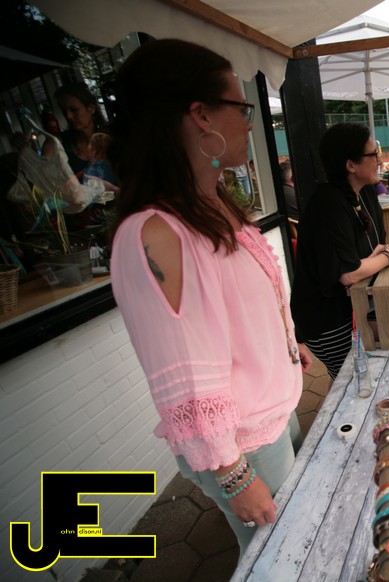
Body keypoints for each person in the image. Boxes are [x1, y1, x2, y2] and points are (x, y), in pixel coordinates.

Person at [107, 39, 311, 555]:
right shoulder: (155, 233)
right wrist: (233, 473)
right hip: (241, 443)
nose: (249, 123)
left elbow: (241, 310)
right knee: (282, 558)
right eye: (242, 108)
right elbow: (186, 372)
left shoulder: (213, 203)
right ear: (200, 115)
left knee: (298, 542)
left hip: (270, 412)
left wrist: (286, 349)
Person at [290, 123, 389, 379]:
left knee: (351, 376)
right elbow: (349, 274)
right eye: (373, 154)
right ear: (351, 165)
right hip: (326, 318)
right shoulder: (328, 204)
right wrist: (388, 257)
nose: (379, 160)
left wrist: (377, 257)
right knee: (352, 379)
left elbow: (374, 248)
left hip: (355, 304)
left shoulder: (365, 192)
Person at [56, 82, 107, 175]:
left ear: (91, 108)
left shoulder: (112, 138)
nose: (69, 116)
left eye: (74, 110)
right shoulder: (59, 144)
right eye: (64, 111)